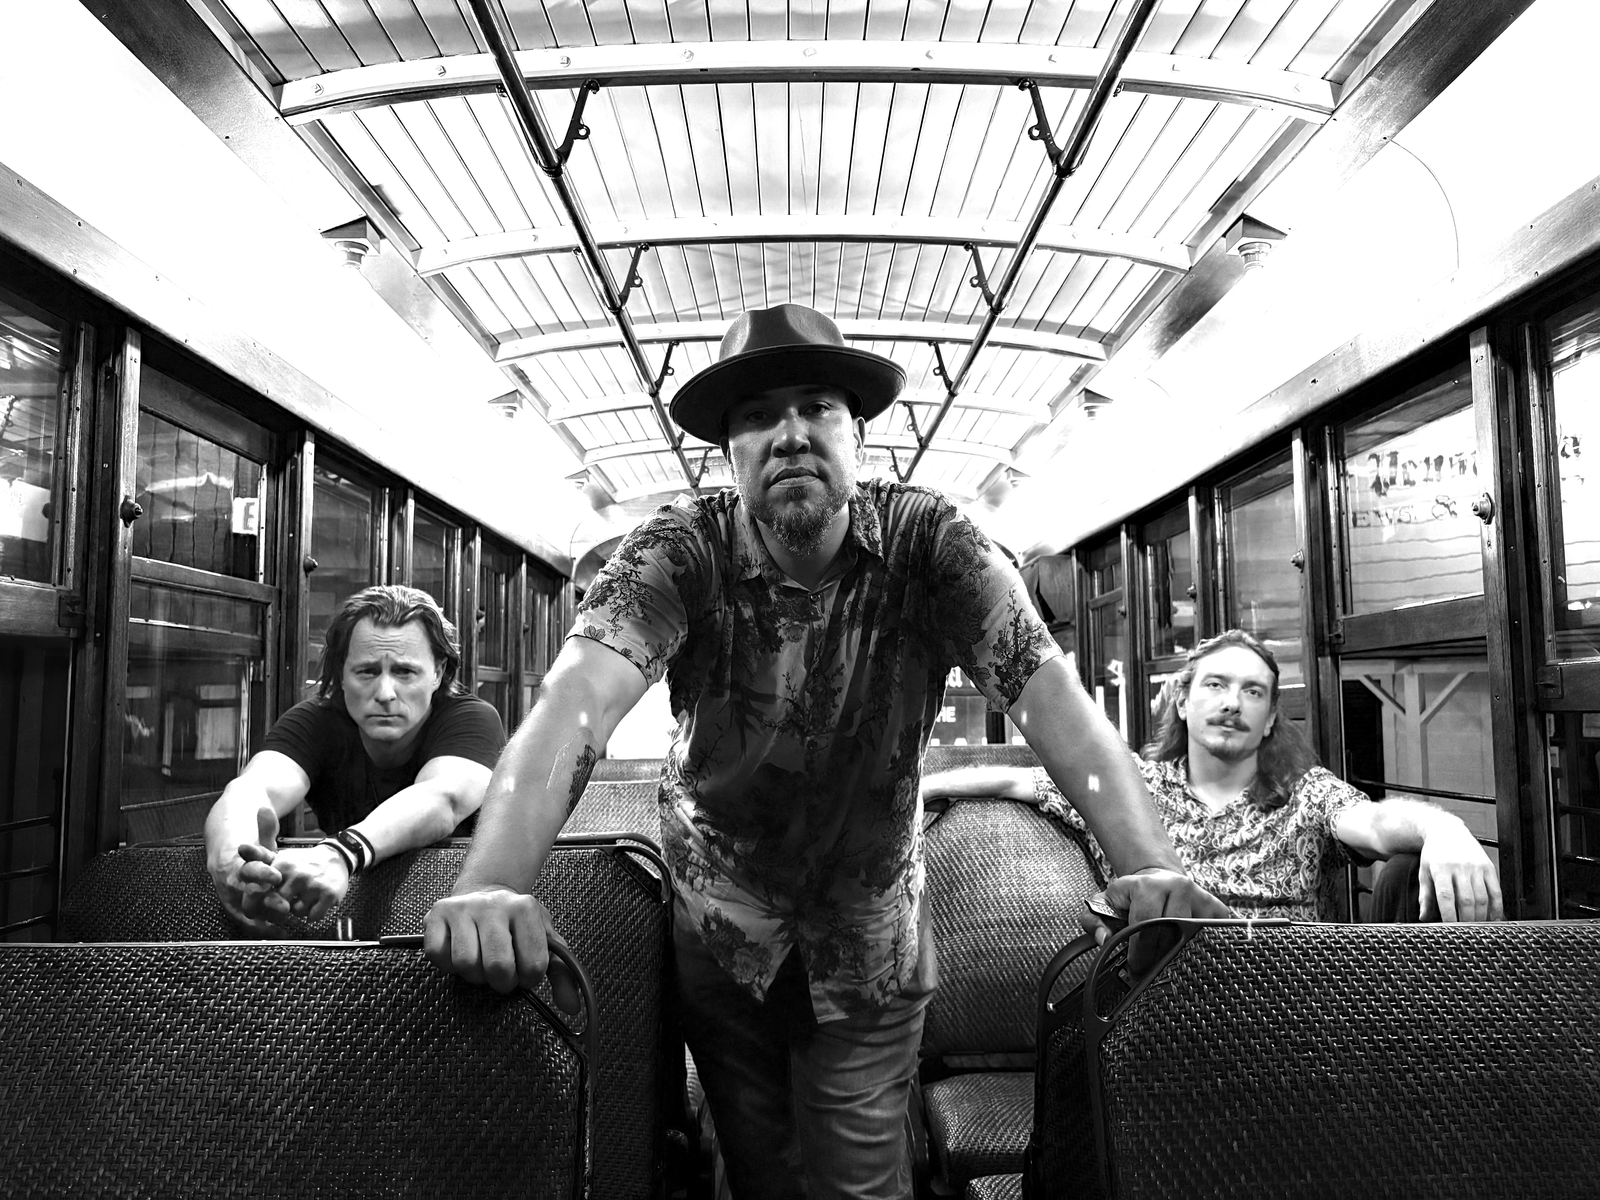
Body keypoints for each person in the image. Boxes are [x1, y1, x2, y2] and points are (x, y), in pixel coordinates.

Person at [423, 303, 1228, 1199]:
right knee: (758, 1173)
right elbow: (576, 705)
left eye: (817, 407)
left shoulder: (933, 545)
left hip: (867, 934)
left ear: (858, 434)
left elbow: (1052, 703)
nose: (791, 434)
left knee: (858, 1182)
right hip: (719, 926)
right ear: (727, 451)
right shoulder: (680, 551)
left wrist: (1147, 866)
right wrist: (492, 882)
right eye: (758, 415)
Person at [922, 628, 1504, 924]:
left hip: (1297, 1014)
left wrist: (1443, 828)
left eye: (1252, 692)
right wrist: (921, 788)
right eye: (1217, 685)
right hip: (1166, 1006)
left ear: (1270, 717)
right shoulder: (1132, 788)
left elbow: (1375, 824)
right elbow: (1015, 781)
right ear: (1182, 702)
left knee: (1409, 869)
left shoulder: (1304, 794)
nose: (1232, 702)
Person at [206, 585, 505, 932]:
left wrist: (339, 853)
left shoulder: (471, 718)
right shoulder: (316, 720)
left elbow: (443, 798)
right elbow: (250, 790)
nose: (385, 693)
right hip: (352, 914)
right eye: (367, 672)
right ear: (342, 674)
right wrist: (232, 861)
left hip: (460, 910)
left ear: (437, 673)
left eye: (405, 672)